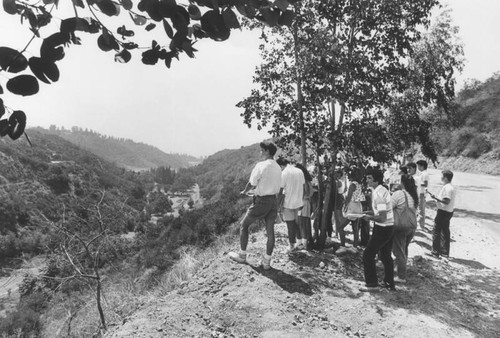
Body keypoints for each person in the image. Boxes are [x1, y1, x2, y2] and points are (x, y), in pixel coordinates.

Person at [228, 141, 282, 270]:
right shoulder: (278, 167)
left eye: (262, 150)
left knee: (244, 225)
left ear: (267, 151)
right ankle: (267, 262)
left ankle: (242, 255)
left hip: (261, 201)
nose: (260, 152)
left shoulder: (261, 165)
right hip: (273, 201)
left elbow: (252, 182)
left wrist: (245, 191)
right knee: (270, 232)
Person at [360, 168, 395, 291]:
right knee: (385, 256)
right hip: (389, 227)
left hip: (383, 228)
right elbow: (380, 211)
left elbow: (382, 217)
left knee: (368, 255)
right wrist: (368, 212)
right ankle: (389, 282)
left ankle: (372, 284)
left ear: (376, 180)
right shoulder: (382, 190)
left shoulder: (379, 193)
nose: (367, 180)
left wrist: (369, 218)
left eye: (369, 178)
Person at [391, 174, 418, 283]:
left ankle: (401, 276)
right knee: (404, 248)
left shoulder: (399, 194)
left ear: (402, 183)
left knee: (399, 251)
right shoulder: (413, 195)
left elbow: (389, 206)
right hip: (411, 226)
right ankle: (401, 268)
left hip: (401, 226)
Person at [277, 158, 306, 252]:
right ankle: (300, 242)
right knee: (297, 223)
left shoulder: (284, 173)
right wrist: (302, 200)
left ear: (281, 165)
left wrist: (277, 205)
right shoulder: (299, 171)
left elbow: (280, 192)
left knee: (290, 225)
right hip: (299, 203)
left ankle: (292, 246)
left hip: (288, 203)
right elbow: (303, 187)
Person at [427, 170, 456, 258]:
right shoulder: (451, 187)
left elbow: (446, 201)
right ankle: (444, 251)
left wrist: (435, 198)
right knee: (445, 231)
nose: (441, 178)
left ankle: (435, 252)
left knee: (436, 231)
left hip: (443, 211)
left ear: (446, 178)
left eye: (442, 176)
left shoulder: (447, 188)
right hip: (448, 211)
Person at [337, 167, 365, 249]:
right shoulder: (359, 184)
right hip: (358, 206)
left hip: (352, 207)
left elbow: (348, 197)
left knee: (340, 227)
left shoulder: (352, 184)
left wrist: (345, 206)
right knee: (355, 228)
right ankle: (355, 247)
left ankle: (342, 245)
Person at [296, 163, 314, 249]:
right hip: (306, 203)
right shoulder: (307, 181)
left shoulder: (304, 181)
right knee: (303, 223)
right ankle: (303, 242)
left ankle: (303, 243)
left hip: (303, 203)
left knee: (302, 223)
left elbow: (304, 193)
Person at [416, 160, 429, 230]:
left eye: (418, 166)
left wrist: (417, 183)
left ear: (422, 166)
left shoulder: (424, 174)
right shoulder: (422, 173)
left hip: (422, 193)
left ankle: (421, 226)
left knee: (421, 210)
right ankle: (420, 224)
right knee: (419, 209)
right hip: (420, 192)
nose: (418, 167)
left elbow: (425, 184)